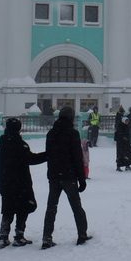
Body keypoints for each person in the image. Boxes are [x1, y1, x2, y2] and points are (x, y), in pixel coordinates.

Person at [41, 106, 91, 248]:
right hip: (69, 176)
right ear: (71, 117)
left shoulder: (51, 133)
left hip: (54, 177)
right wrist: (82, 179)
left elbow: (49, 155)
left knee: (51, 207)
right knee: (76, 206)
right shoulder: (72, 133)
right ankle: (82, 234)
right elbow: (77, 157)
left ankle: (46, 237)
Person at [0, 118, 47, 248]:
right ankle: (19, 236)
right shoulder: (20, 145)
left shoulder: (3, 144)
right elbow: (31, 159)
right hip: (21, 183)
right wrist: (48, 155)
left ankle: (3, 236)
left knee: (7, 209)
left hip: (6, 182)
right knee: (22, 208)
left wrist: (0, 185)